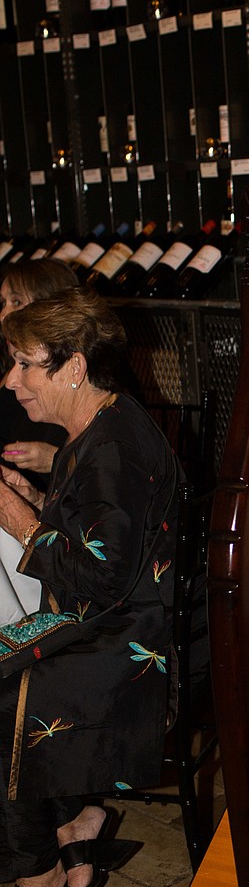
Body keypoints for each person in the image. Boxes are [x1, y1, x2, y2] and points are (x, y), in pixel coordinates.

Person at [0, 286, 178, 887]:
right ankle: (74, 823)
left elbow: (101, 576)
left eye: (23, 364)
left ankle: (38, 865)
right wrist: (38, 501)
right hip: (99, 619)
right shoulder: (101, 424)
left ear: (72, 365)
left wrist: (15, 517)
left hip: (125, 642)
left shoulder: (112, 445)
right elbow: (104, 539)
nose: (10, 379)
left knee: (2, 692)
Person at [0, 259, 81, 623]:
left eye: (17, 302)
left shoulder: (93, 393)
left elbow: (101, 566)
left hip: (61, 560)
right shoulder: (15, 376)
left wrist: (55, 461)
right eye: (2, 303)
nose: (4, 314)